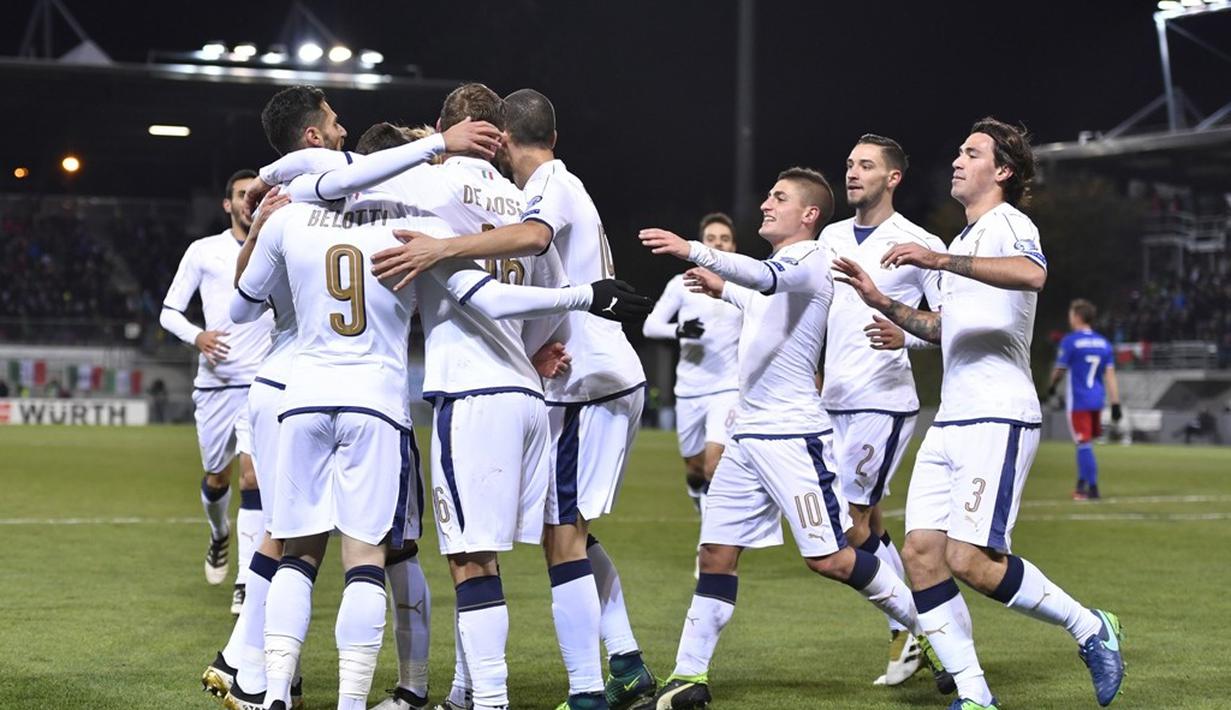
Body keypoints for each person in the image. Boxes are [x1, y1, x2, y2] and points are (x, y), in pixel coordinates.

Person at [369, 88, 657, 710]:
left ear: (458, 131)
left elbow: (521, 262)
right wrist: (535, 347)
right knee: (556, 535)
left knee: (489, 553)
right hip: (540, 384)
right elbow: (549, 282)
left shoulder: (491, 190)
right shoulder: (517, 197)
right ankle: (501, 686)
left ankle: (555, 693)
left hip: (534, 384)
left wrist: (438, 241)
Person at [833, 117, 1125, 710]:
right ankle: (974, 695)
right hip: (953, 417)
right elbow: (945, 327)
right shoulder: (964, 241)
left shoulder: (1009, 224)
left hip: (998, 412)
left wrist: (938, 262)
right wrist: (884, 304)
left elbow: (1032, 275)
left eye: (972, 153)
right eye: (959, 151)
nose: (958, 161)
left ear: (1003, 170)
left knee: (972, 560)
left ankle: (1090, 626)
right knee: (920, 554)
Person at [638, 167, 923, 709]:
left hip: (793, 436)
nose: (766, 204)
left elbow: (771, 282)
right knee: (716, 553)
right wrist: (724, 288)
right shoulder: (774, 273)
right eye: (769, 195)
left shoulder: (809, 258)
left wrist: (694, 249)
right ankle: (688, 678)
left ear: (809, 214)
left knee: (832, 559)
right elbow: (761, 300)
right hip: (747, 435)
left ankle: (930, 628)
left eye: (779, 197)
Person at [819, 133, 947, 685]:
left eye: (866, 165)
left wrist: (906, 338)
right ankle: (924, 626)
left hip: (883, 402)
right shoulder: (827, 236)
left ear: (892, 178)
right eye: (850, 164)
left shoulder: (918, 241)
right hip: (831, 402)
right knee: (867, 523)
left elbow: (947, 322)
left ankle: (917, 628)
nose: (852, 173)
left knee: (847, 526)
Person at [160, 169, 274, 613]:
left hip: (261, 382)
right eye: (242, 195)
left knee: (252, 478)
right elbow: (170, 311)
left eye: (255, 195)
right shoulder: (203, 251)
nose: (249, 200)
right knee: (217, 476)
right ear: (228, 204)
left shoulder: (276, 247)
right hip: (215, 386)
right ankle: (218, 533)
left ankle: (246, 580)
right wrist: (198, 337)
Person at [642, 213, 741, 556]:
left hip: (729, 389)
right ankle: (703, 510)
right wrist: (679, 331)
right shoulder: (681, 283)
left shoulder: (741, 286)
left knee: (715, 464)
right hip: (689, 390)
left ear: (733, 246)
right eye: (711, 238)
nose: (718, 244)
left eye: (724, 239)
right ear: (701, 244)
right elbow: (650, 326)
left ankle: (710, 547)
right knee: (696, 470)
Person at [1047, 299, 1122, 499]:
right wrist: (1115, 404)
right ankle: (1080, 484)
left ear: (1077, 316)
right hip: (1097, 400)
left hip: (1079, 400)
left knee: (1083, 444)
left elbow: (1060, 370)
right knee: (1086, 443)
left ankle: (1092, 489)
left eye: (1071, 314)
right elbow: (1110, 376)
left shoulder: (1070, 341)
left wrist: (1052, 386)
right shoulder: (1104, 343)